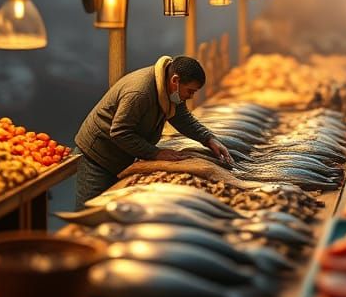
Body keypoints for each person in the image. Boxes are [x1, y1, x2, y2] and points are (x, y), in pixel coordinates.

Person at [74, 56, 234, 209]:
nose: (191, 97)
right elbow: (120, 132)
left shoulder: (171, 91)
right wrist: (155, 153)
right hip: (97, 156)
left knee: (108, 208)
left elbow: (181, 117)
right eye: (190, 91)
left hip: (120, 155)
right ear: (175, 81)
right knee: (89, 211)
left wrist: (208, 139)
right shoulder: (139, 92)